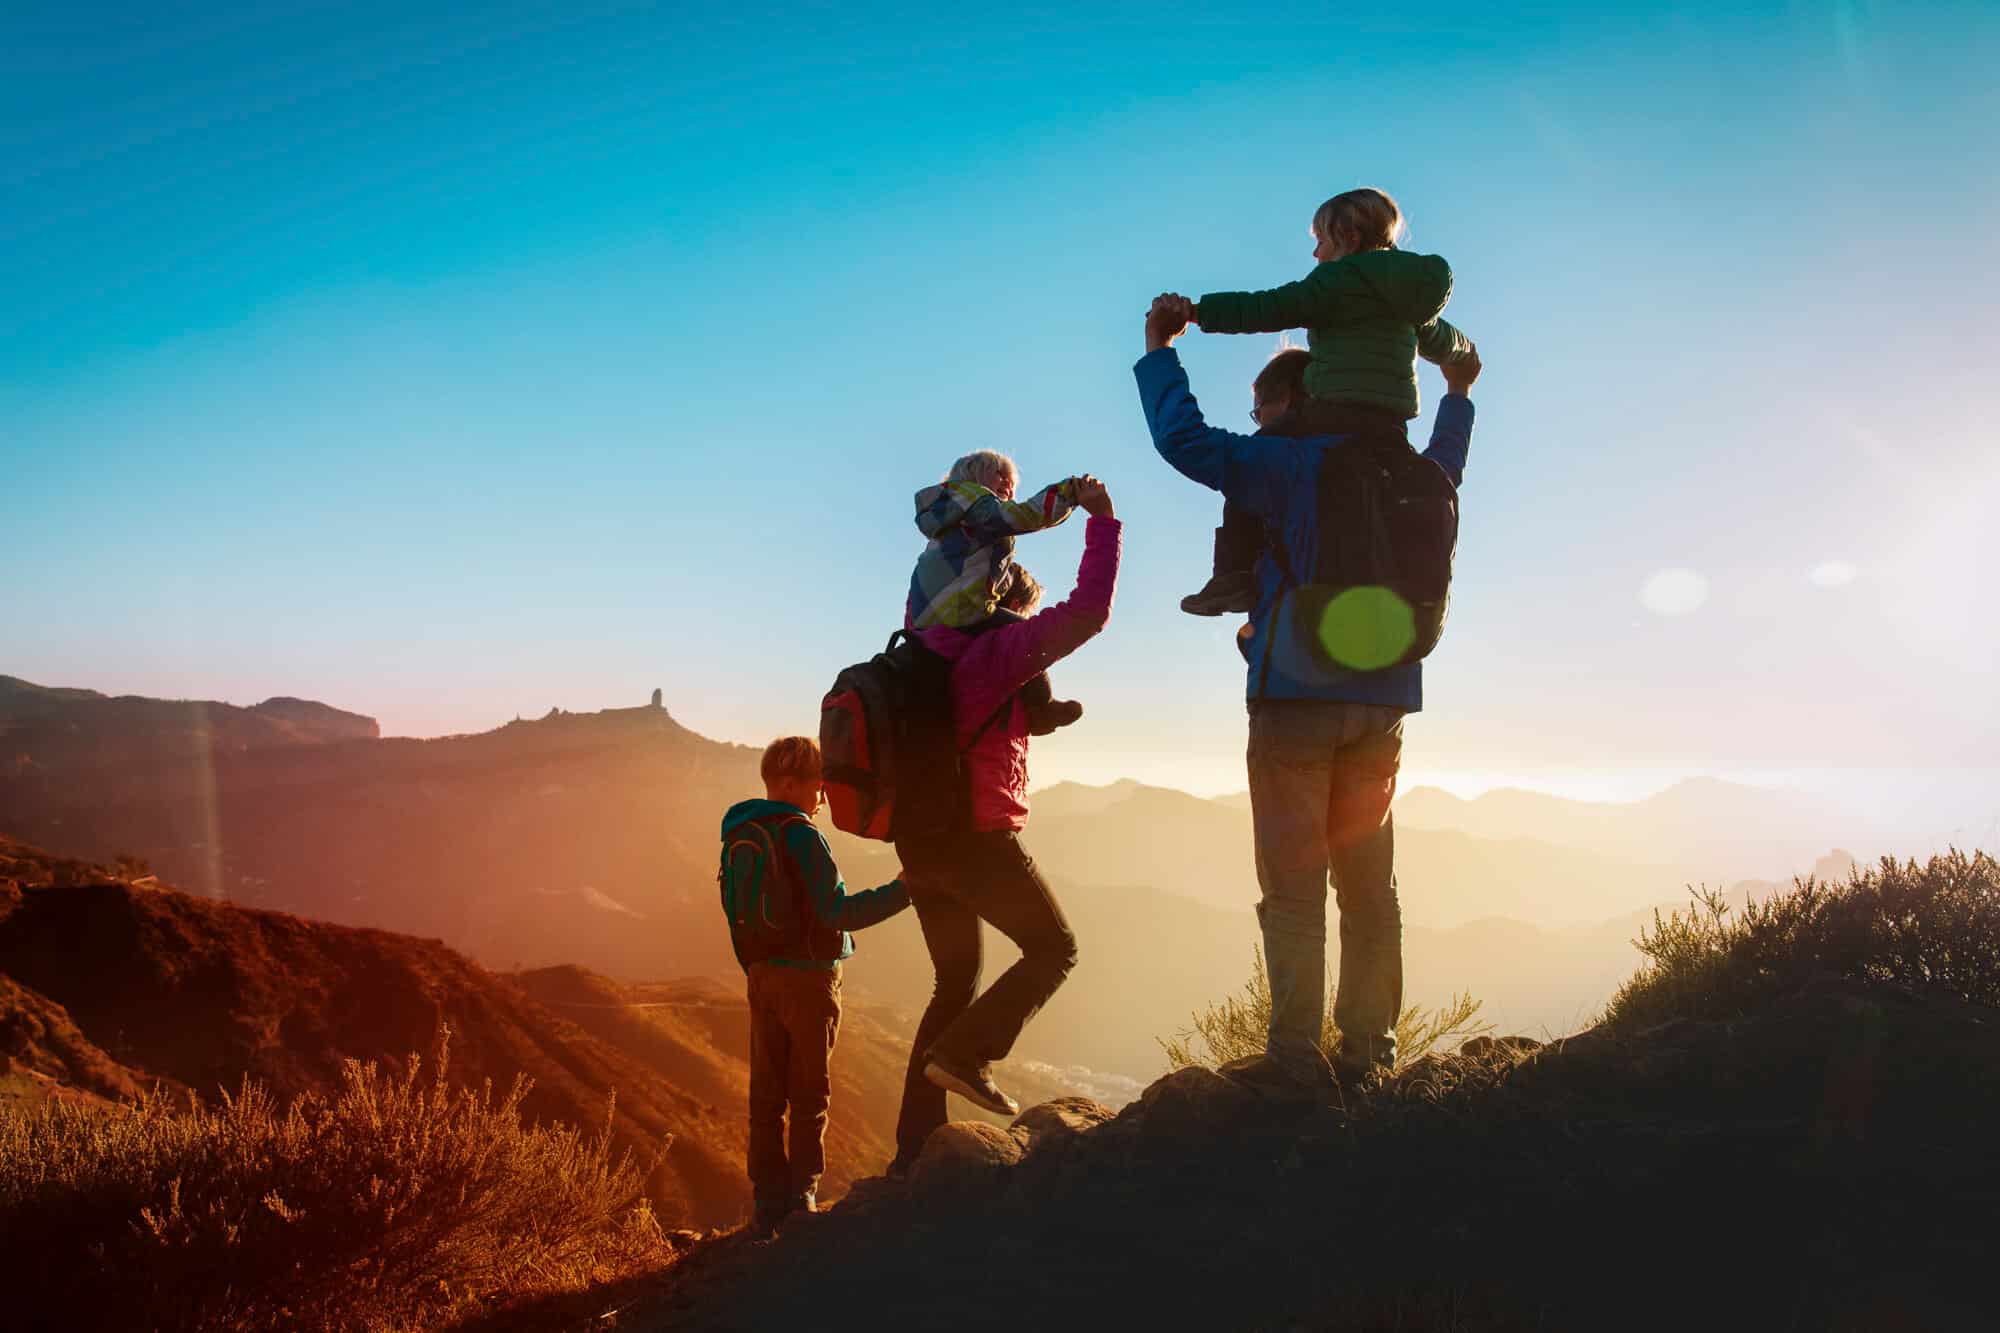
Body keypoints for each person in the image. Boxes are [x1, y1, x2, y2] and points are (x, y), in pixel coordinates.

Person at [1133, 296, 1482, 1093]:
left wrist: (1159, 351)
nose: (1255, 423)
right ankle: (1371, 1053)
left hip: (1295, 697)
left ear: (1297, 400)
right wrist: (1459, 393)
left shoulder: (1292, 462)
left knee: (1293, 892)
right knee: (1370, 889)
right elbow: (1452, 459)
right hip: (1385, 702)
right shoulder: (1415, 471)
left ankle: (1295, 1061)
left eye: (1260, 409)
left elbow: (1184, 440)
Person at [889, 476, 1121, 1164]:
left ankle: (915, 1151)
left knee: (953, 983)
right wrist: (1103, 525)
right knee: (1055, 949)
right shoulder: (993, 652)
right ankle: (968, 1053)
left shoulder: (919, 650)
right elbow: (1086, 614)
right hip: (976, 840)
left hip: (917, 841)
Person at [1164, 187, 1479, 616]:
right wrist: (1464, 359)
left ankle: (1233, 573)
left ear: (1348, 238)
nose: (1316, 254)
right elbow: (1444, 340)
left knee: (1251, 464)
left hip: (1331, 414)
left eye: (1321, 242)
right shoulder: (1408, 301)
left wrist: (1198, 312)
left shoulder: (1334, 283)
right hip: (1389, 426)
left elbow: (1269, 307)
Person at [719, 736, 911, 1234]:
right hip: (809, 980)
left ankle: (767, 1203)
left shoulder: (743, 830)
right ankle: (802, 1195)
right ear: (788, 783)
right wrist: (905, 890)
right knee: (809, 1095)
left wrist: (759, 969)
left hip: (761, 976)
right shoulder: (801, 835)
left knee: (765, 1097)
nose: (823, 795)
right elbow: (839, 911)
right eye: (816, 784)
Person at [909, 450, 1086, 735]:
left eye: (1012, 479)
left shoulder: (948, 518)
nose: (1009, 484)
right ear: (974, 476)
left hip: (927, 616)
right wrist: (1068, 492)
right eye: (999, 474)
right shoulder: (976, 504)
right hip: (961, 610)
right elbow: (1026, 516)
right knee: (1027, 635)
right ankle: (1041, 708)